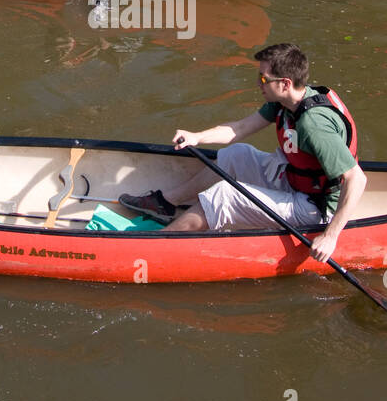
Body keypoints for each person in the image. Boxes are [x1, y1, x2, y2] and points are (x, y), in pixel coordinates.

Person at [117, 43, 366, 263]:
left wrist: (330, 236)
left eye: (264, 78)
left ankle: (154, 243)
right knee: (237, 154)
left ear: (286, 83)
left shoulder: (314, 125)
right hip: (296, 183)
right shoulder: (285, 102)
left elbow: (356, 179)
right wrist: (197, 137)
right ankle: (165, 204)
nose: (258, 83)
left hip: (315, 209)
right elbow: (240, 128)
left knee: (224, 196)